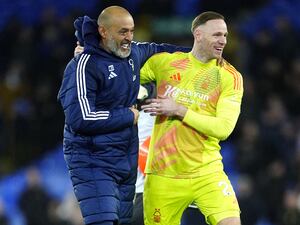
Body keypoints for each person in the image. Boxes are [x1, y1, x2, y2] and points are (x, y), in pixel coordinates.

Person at [57, 6, 189, 225]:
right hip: (93, 159)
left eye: (131, 31)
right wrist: (127, 116)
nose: (129, 38)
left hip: (124, 158)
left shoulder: (133, 53)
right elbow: (80, 117)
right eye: (122, 32)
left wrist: (200, 55)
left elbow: (163, 51)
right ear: (104, 31)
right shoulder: (83, 65)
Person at [140, 11, 243, 225]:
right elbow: (122, 78)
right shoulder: (164, 63)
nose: (223, 41)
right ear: (198, 34)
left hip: (206, 172)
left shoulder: (229, 77)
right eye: (216, 35)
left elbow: (223, 128)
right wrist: (89, 58)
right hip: (163, 175)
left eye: (225, 35)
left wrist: (179, 110)